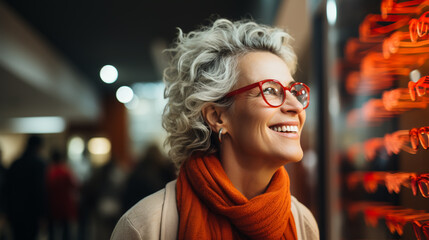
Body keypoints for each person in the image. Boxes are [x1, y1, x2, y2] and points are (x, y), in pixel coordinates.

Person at [111, 18, 319, 239]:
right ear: (217, 116)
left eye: (293, 91)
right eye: (270, 90)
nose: (296, 106)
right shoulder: (145, 226)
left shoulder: (302, 223)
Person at [4, 135, 47, 240]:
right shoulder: (39, 164)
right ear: (38, 147)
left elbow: (7, 188)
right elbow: (40, 191)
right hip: (32, 213)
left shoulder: (15, 163)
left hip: (15, 211)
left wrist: (7, 211)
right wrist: (43, 214)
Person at [46, 149, 78, 240]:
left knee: (52, 232)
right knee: (66, 231)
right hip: (65, 205)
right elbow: (74, 185)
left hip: (52, 205)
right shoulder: (66, 171)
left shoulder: (49, 172)